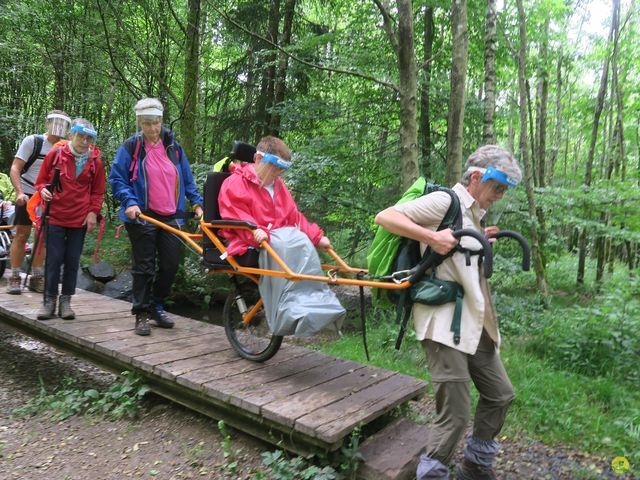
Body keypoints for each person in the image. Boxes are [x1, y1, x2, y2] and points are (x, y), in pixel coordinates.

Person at [374, 145, 522, 480]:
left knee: (500, 394)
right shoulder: (446, 202)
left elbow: (458, 256)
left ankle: (476, 464)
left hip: (474, 321)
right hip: (443, 323)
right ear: (475, 177)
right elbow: (386, 216)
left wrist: (480, 238)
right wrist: (430, 236)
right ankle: (433, 472)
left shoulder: (473, 215)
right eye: (497, 188)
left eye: (504, 191)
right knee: (454, 413)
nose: (499, 196)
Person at [109, 98, 204, 336]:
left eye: (157, 123)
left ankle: (156, 305)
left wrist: (197, 202)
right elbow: (117, 178)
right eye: (148, 123)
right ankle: (141, 312)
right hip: (142, 215)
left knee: (171, 265)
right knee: (145, 266)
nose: (153, 128)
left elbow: (187, 179)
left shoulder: (174, 148)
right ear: (140, 123)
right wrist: (129, 202)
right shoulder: (131, 147)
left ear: (162, 121)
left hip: (171, 216)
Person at [34, 118, 105, 320]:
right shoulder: (55, 154)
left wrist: (93, 212)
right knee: (54, 260)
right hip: (54, 215)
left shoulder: (96, 162)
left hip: (79, 218)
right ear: (70, 135)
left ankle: (66, 301)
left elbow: (98, 192)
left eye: (88, 138)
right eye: (80, 136)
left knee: (72, 260)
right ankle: (49, 301)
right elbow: (41, 182)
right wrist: (43, 191)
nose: (84, 141)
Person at [217, 135, 331, 260]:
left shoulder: (278, 185)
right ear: (259, 159)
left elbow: (293, 215)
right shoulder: (236, 183)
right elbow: (236, 214)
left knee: (302, 245)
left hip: (276, 241)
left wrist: (316, 237)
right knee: (289, 251)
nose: (277, 174)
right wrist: (256, 231)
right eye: (274, 168)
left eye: (281, 170)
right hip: (246, 241)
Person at [6, 110, 71, 293]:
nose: (58, 126)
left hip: (49, 196)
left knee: (41, 237)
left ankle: (36, 276)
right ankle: (15, 276)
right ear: (47, 123)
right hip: (27, 192)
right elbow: (15, 168)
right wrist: (19, 192)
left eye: (63, 123)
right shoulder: (33, 142)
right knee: (22, 233)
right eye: (55, 122)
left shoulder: (66, 147)